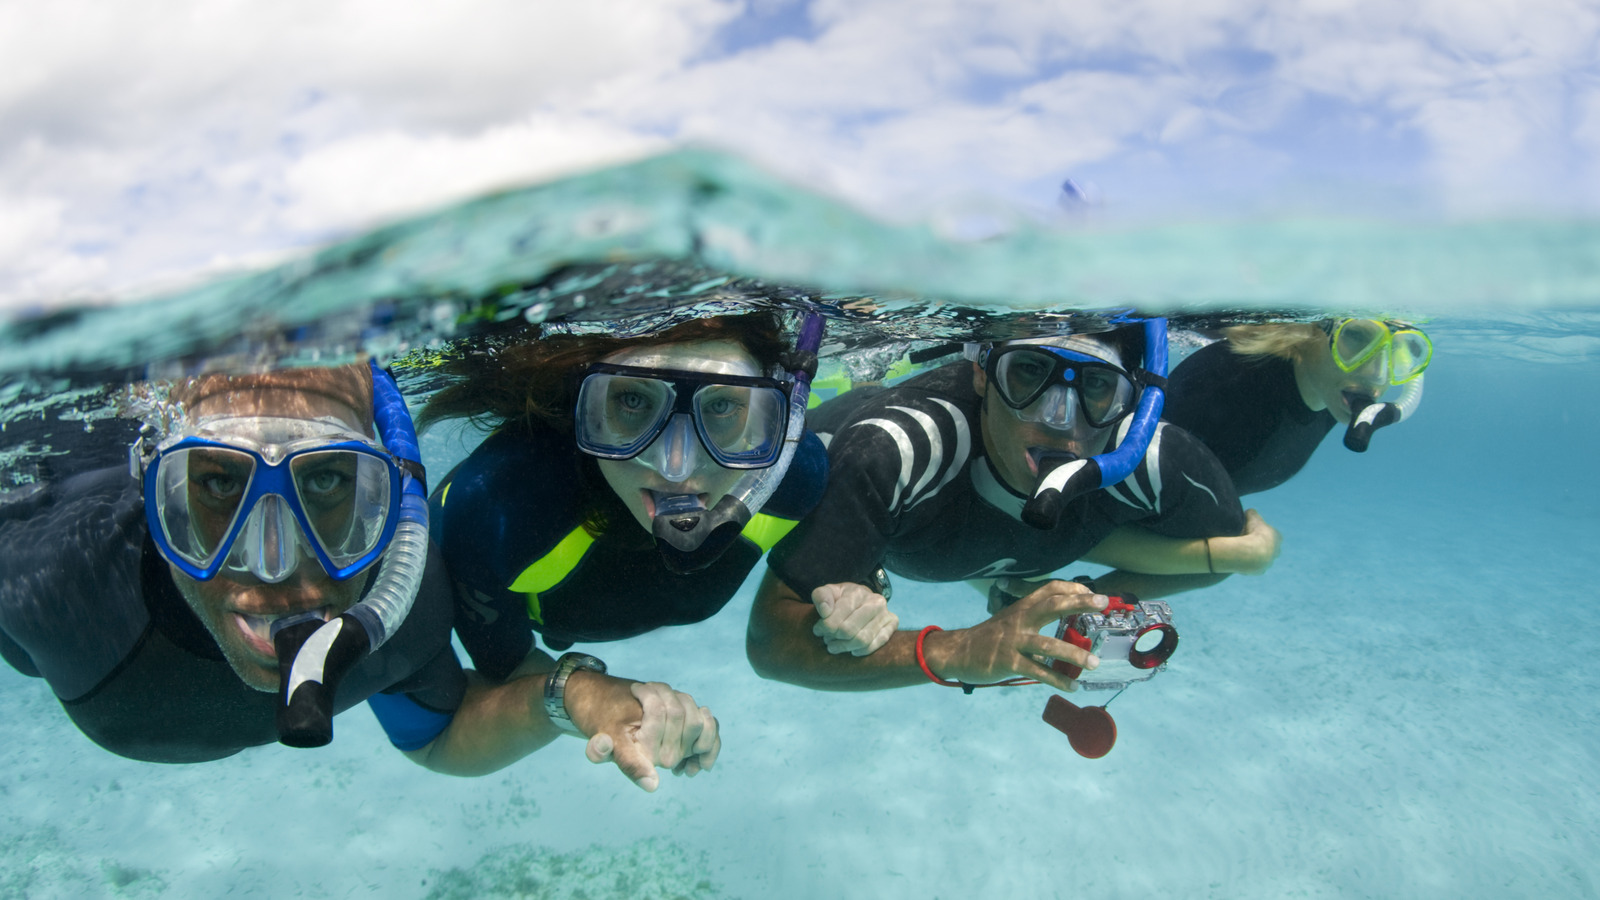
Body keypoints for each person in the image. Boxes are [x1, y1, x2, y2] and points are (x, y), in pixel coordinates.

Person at [0, 363, 714, 791]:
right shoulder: (54, 576)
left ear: (389, 496)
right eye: (217, 484)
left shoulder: (407, 599)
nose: (277, 568)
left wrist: (573, 695)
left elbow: (439, 735)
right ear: (153, 491)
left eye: (330, 482)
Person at [746, 322, 1263, 693]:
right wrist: (950, 651)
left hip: (951, 541)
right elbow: (771, 642)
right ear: (981, 374)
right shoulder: (899, 451)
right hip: (852, 434)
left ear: (1132, 401)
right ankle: (861, 383)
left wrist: (1077, 602)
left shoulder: (1151, 460)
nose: (1061, 419)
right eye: (1029, 373)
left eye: (1098, 386)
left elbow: (1224, 558)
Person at [420, 312, 827, 707]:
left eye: (722, 407)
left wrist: (851, 585)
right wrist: (584, 699)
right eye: (632, 399)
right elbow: (509, 670)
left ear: (770, 419)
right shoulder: (496, 513)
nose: (676, 468)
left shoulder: (796, 476)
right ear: (586, 405)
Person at [1163, 318, 1432, 495]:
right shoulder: (1223, 383)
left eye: (1397, 350)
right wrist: (1231, 556)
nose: (1377, 375)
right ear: (1310, 329)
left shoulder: (1329, 389)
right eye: (1357, 336)